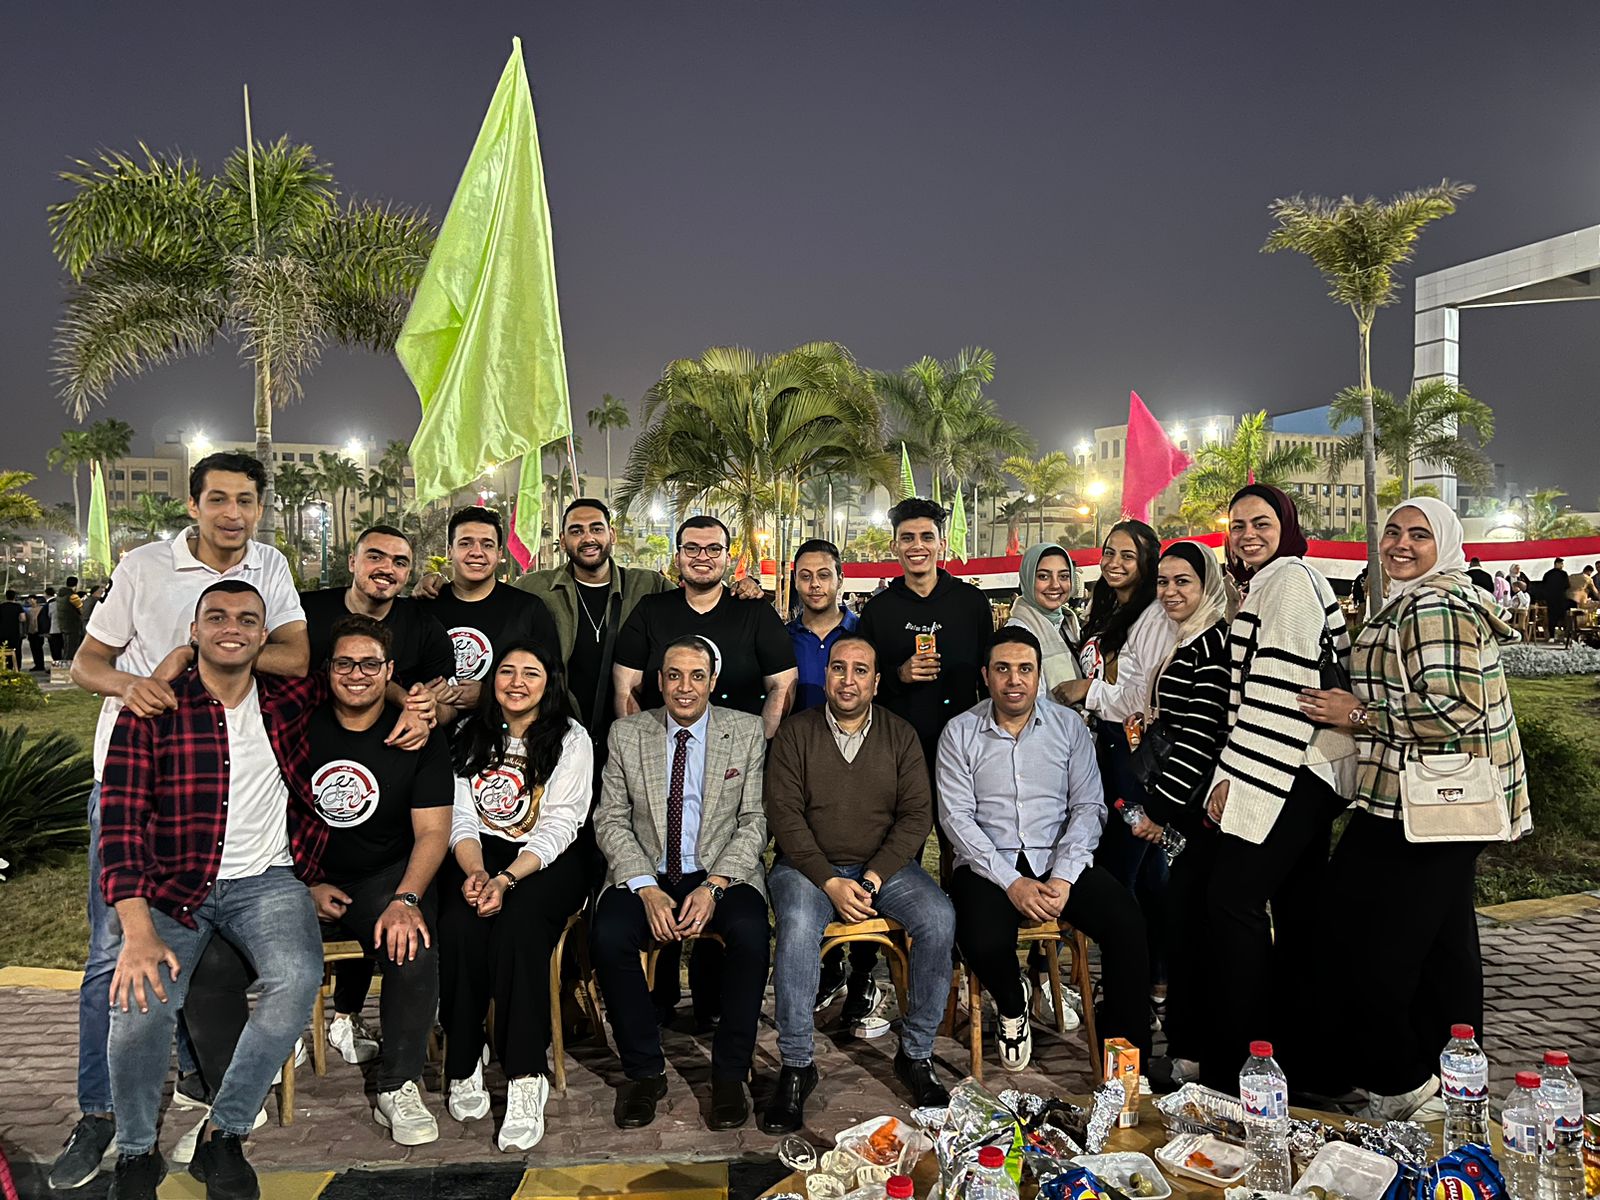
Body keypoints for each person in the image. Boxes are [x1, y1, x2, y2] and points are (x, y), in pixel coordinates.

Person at [51, 452, 308, 1192]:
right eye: (218, 499)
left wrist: (207, 651)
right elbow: (85, 665)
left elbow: (299, 657)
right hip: (146, 779)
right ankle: (106, 1120)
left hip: (245, 854)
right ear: (193, 504)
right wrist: (143, 682)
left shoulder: (269, 566)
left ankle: (217, 1120)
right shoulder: (143, 567)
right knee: (119, 963)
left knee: (273, 974)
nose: (233, 513)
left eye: (246, 501)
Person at [179, 614, 454, 1148]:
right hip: (289, 875)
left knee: (412, 947)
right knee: (210, 965)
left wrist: (405, 898)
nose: (357, 674)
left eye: (370, 664)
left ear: (389, 672)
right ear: (327, 670)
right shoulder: (294, 722)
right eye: (345, 663)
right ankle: (233, 1095)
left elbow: (433, 832)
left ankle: (398, 1085)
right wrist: (303, 884)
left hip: (380, 878)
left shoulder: (418, 736)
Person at [1299, 499, 1529, 1121]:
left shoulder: (1433, 606)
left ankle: (1401, 1081)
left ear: (1444, 543)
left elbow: (1457, 708)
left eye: (1419, 535)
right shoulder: (1419, 597)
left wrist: (1358, 715)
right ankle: (1453, 1079)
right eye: (1394, 532)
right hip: (1424, 804)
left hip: (1426, 806)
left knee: (1365, 945)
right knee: (1445, 948)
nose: (1400, 544)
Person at [97, 580, 323, 1200]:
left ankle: (225, 1133)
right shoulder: (153, 710)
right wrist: (137, 933)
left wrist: (413, 705)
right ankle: (136, 1152)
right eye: (217, 617)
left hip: (267, 880)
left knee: (297, 979)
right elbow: (119, 825)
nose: (232, 628)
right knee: (139, 1007)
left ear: (262, 636)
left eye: (247, 619)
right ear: (194, 631)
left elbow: (361, 682)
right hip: (174, 885)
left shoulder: (288, 700)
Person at [761, 636, 955, 1133]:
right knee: (798, 926)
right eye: (839, 669)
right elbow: (783, 815)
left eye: (860, 670)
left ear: (876, 681)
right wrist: (828, 880)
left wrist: (872, 877)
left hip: (882, 869)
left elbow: (917, 815)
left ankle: (916, 1054)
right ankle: (797, 1065)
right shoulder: (796, 734)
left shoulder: (900, 735)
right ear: (826, 676)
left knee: (938, 918)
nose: (848, 681)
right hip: (807, 869)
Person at [938, 626, 1151, 1072]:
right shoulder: (959, 732)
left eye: (1025, 669)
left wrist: (1065, 876)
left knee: (1127, 923)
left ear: (1038, 675)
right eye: (1002, 669)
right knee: (979, 938)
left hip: (1057, 858)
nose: (1014, 680)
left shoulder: (1068, 726)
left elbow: (1089, 806)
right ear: (986, 675)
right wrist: (1011, 883)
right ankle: (1012, 1004)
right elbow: (957, 819)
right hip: (988, 864)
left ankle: (1125, 1054)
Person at [1202, 484, 1355, 1092]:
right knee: (1299, 910)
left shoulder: (1288, 579)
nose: (1247, 535)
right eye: (1237, 525)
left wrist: (1232, 782)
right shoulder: (1276, 580)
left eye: (1261, 523)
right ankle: (1310, 1063)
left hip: (1288, 765)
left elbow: (1279, 698)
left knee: (1231, 901)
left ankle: (1241, 1065)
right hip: (1308, 767)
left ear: (1285, 526)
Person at [590, 636, 770, 1131]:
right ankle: (644, 1072)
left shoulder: (746, 731)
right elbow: (610, 819)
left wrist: (714, 885)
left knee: (752, 934)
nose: (684, 687)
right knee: (608, 935)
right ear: (659, 681)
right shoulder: (628, 734)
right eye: (674, 676)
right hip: (648, 869)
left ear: (713, 681)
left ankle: (730, 1074)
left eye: (696, 676)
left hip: (719, 869)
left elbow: (754, 820)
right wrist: (645, 888)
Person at [299, 524, 459, 1059]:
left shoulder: (422, 624)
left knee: (406, 930)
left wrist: (421, 713)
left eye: (399, 561)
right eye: (375, 556)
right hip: (306, 857)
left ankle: (392, 1068)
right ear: (352, 561)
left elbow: (440, 702)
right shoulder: (308, 613)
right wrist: (303, 882)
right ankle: (289, 1031)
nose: (385, 568)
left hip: (391, 807)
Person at [441, 640, 592, 1151]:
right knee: (459, 925)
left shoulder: (571, 738)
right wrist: (476, 872)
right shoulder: (467, 733)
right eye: (507, 671)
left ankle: (527, 1075)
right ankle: (464, 1059)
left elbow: (562, 823)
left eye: (531, 673)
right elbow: (460, 817)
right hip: (478, 855)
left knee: (518, 928)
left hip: (547, 859)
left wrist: (505, 880)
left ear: (550, 683)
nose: (517, 682)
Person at [1132, 543, 1231, 1092]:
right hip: (1188, 807)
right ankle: (1191, 1050)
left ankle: (1202, 1054)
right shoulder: (1190, 636)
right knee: (1187, 923)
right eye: (1163, 582)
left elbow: (1200, 735)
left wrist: (1159, 810)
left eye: (1183, 582)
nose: (1170, 592)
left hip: (1199, 810)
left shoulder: (1210, 643)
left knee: (1195, 926)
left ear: (1206, 584)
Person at [784, 538, 880, 1022]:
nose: (815, 584)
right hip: (800, 769)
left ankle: (864, 973)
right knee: (806, 861)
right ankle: (826, 966)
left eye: (824, 575)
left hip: (859, 766)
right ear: (794, 581)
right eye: (805, 576)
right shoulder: (781, 637)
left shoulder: (863, 633)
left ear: (840, 579)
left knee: (863, 863)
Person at [1055, 521, 1176, 895]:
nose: (1114, 563)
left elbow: (1147, 699)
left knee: (1125, 860)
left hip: (1134, 752)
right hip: (1108, 745)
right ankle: (1152, 932)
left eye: (1128, 556)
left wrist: (1087, 691)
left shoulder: (1154, 616)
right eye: (1109, 552)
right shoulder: (1110, 608)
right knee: (1143, 864)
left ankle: (1131, 931)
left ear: (1147, 563)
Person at [856, 497, 992, 804]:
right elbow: (863, 680)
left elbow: (988, 679)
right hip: (897, 746)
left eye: (926, 537)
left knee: (959, 828)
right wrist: (899, 675)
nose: (917, 546)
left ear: (941, 544)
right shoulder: (878, 610)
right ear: (894, 546)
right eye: (907, 538)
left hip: (964, 745)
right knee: (902, 829)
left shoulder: (971, 603)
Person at [613, 515, 796, 734]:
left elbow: (783, 685)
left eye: (714, 549)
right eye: (691, 548)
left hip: (737, 749)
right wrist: (639, 745)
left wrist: (761, 742)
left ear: (727, 558)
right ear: (677, 558)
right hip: (662, 747)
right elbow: (626, 689)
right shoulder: (649, 610)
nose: (702, 556)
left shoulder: (756, 611)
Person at [414, 506, 558, 706]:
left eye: (487, 545)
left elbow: (552, 678)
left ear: (499, 553)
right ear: (449, 551)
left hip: (502, 724)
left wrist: (489, 694)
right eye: (465, 543)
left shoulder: (529, 609)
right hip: (431, 723)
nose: (476, 552)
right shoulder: (423, 606)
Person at [1004, 542, 1083, 702]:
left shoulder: (1068, 623)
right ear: (1027, 579)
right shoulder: (1017, 635)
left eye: (1063, 576)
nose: (1055, 585)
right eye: (1043, 577)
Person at [56, 575, 86, 662]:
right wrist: (82, 601)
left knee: (66, 647)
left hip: (63, 625)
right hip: (73, 625)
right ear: (76, 584)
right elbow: (81, 610)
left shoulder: (60, 595)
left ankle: (65, 663)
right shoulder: (73, 596)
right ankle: (68, 665)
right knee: (72, 648)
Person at [1541, 557, 1572, 635]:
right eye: (1561, 564)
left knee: (1551, 617)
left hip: (1550, 599)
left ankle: (1552, 635)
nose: (1562, 565)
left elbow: (1543, 586)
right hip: (1560, 598)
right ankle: (1563, 635)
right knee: (1562, 617)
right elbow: (1567, 586)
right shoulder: (1563, 574)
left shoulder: (1548, 574)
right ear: (1556, 564)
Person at [0, 589, 23, 670]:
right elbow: (23, 618)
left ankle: (6, 667)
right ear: (14, 597)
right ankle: (17, 668)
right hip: (15, 633)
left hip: (2, 633)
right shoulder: (18, 606)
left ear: (6, 597)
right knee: (16, 650)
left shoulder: (1, 606)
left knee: (4, 650)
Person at [24, 594, 47, 672]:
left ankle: (41, 664)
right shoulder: (28, 610)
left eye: (31, 599)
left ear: (35, 600)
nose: (30, 601)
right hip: (31, 631)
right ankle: (37, 664)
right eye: (29, 600)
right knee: (33, 649)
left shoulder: (41, 608)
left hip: (39, 631)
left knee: (39, 648)